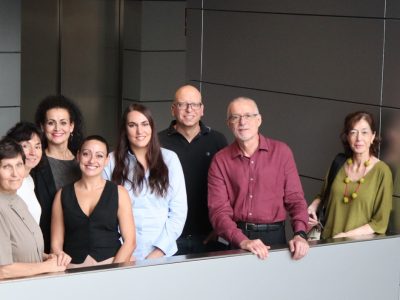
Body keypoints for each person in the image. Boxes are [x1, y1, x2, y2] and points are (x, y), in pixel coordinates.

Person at [208, 97, 309, 260]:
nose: (242, 122)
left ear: (259, 120)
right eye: (235, 117)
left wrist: (300, 234)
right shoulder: (220, 160)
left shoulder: (282, 152)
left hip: (276, 237)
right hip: (238, 238)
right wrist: (242, 241)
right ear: (229, 123)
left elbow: (295, 199)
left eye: (248, 115)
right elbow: (218, 211)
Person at [103, 104, 187, 260]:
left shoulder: (170, 159)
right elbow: (104, 214)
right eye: (132, 125)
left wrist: (158, 252)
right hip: (121, 256)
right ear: (124, 130)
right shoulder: (110, 161)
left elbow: (178, 212)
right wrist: (124, 252)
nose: (139, 131)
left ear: (152, 127)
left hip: (163, 255)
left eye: (144, 124)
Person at [159, 85, 228, 255]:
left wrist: (219, 227)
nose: (189, 109)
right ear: (173, 109)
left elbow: (229, 187)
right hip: (166, 237)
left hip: (208, 235)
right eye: (182, 104)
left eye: (195, 105)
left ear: (202, 109)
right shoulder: (156, 142)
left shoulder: (217, 140)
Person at [51, 135, 136, 268]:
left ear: (107, 160)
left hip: (112, 266)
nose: (92, 160)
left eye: (99, 156)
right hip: (72, 271)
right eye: (86, 154)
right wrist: (63, 265)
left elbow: (130, 241)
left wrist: (114, 271)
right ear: (78, 156)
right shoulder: (62, 195)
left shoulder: (119, 193)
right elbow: (56, 244)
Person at [308, 111, 393, 239]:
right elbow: (323, 195)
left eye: (364, 132)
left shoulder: (382, 171)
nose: (359, 138)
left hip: (358, 249)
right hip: (327, 244)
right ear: (347, 136)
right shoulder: (338, 163)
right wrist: (313, 206)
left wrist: (345, 237)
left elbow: (379, 223)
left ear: (372, 136)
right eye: (353, 132)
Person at [0, 138, 70, 280]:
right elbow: (3, 270)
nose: (15, 173)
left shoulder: (18, 200)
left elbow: (21, 250)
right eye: (7, 167)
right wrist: (47, 267)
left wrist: (49, 258)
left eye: (19, 165)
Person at [32, 95, 83, 253]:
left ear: (72, 126)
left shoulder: (85, 160)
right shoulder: (34, 164)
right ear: (42, 126)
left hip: (81, 245)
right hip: (47, 248)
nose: (57, 129)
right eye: (50, 123)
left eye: (63, 123)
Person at [6, 122, 43, 224]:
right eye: (26, 146)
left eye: (37, 147)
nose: (33, 152)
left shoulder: (29, 180)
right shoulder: (7, 181)